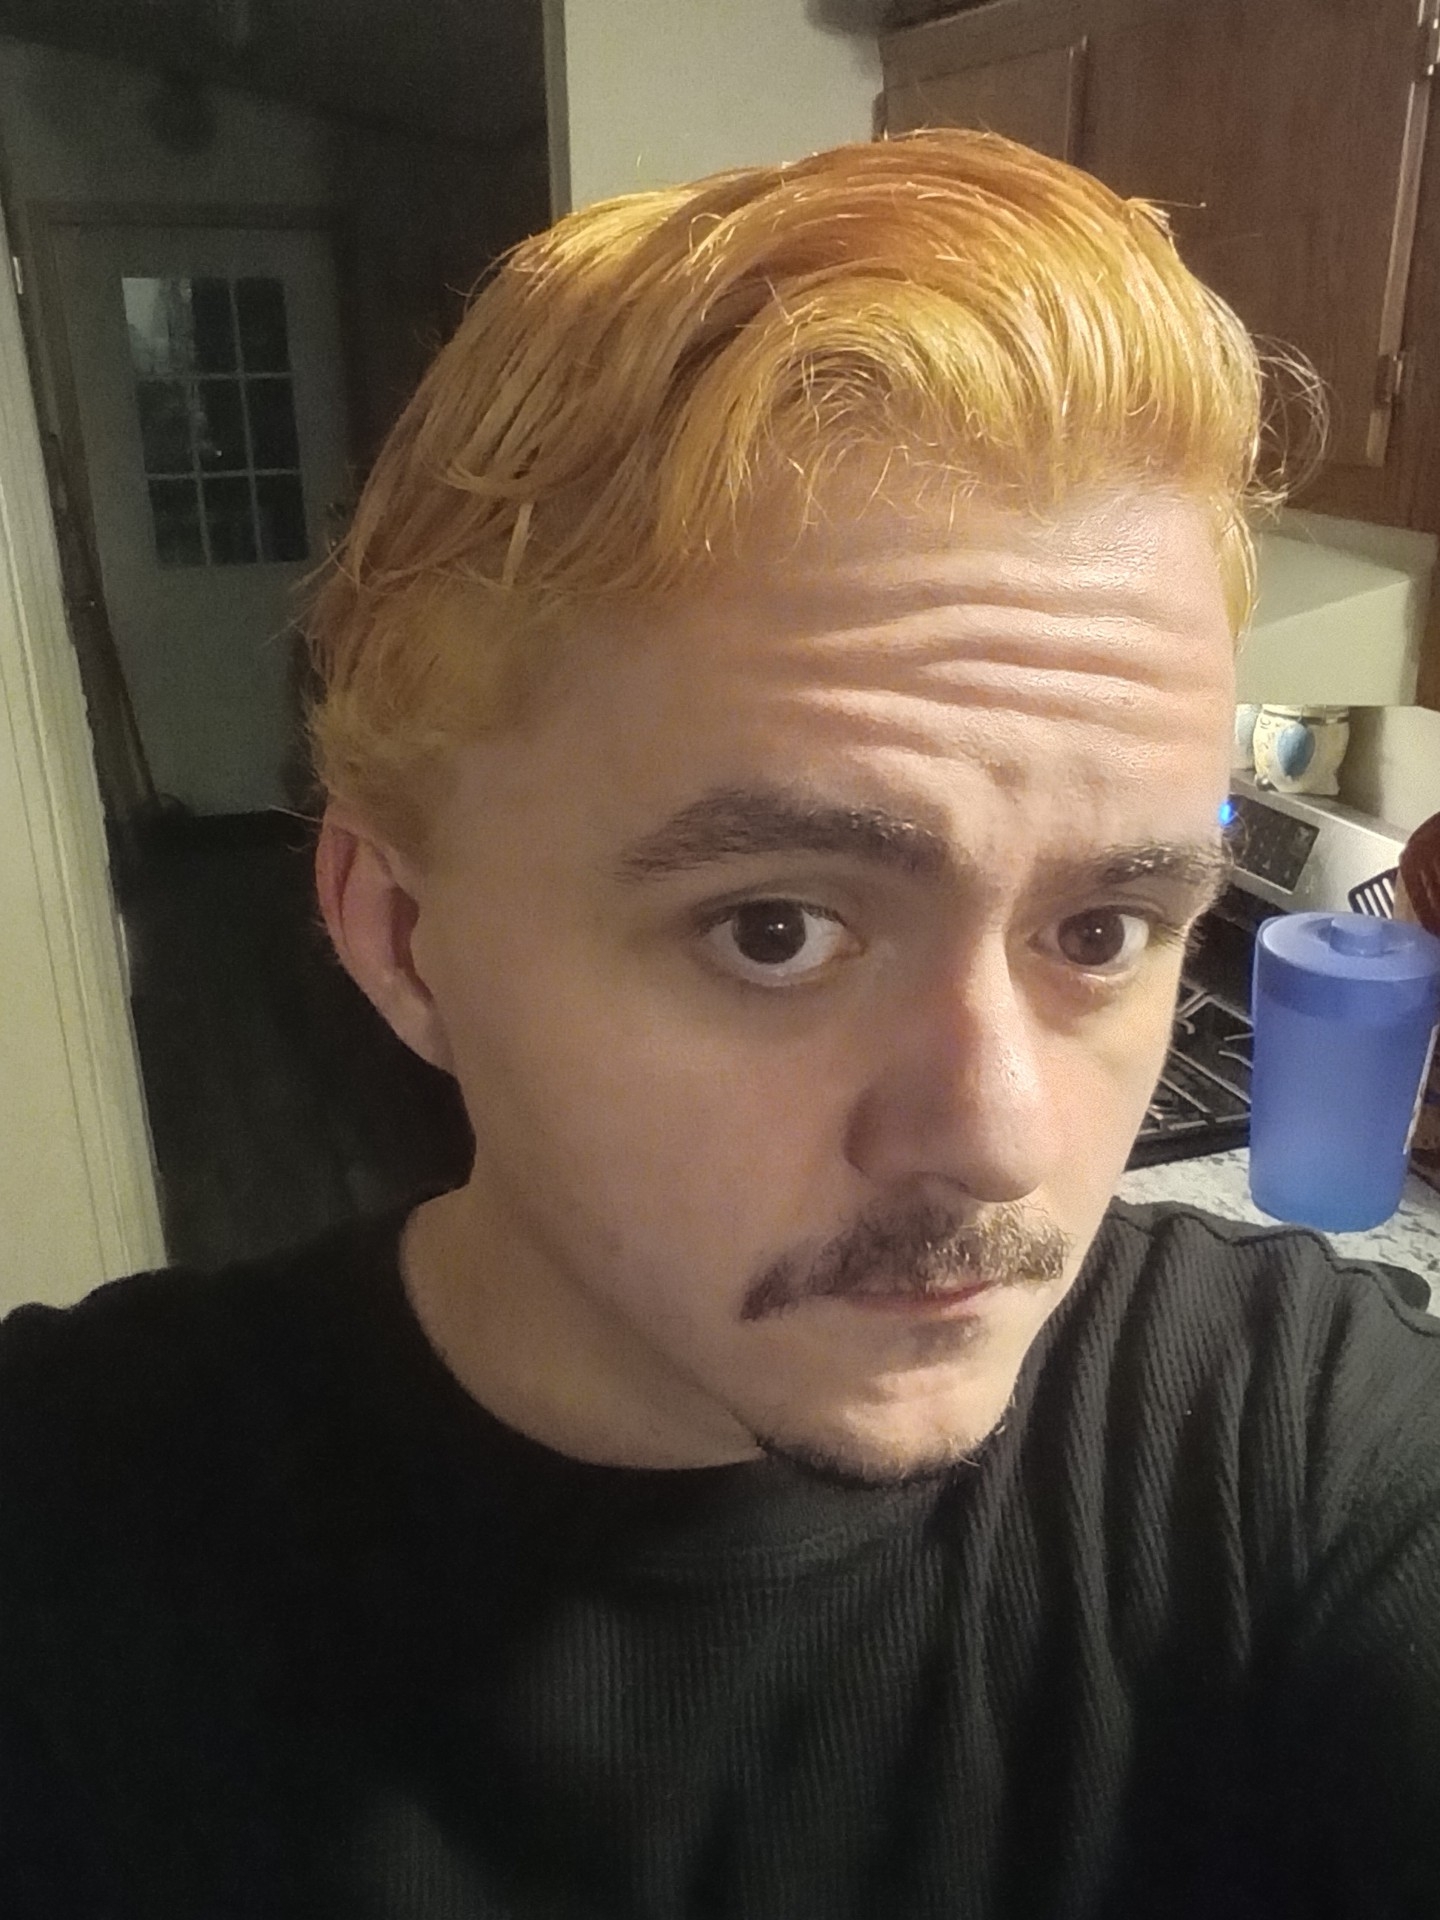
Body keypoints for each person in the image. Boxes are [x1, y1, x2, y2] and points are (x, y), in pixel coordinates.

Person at [3, 130, 1438, 1919]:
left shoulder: (1290, 1447)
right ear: (406, 941)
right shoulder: (64, 1545)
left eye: (1101, 929)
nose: (1000, 1136)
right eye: (777, 930)